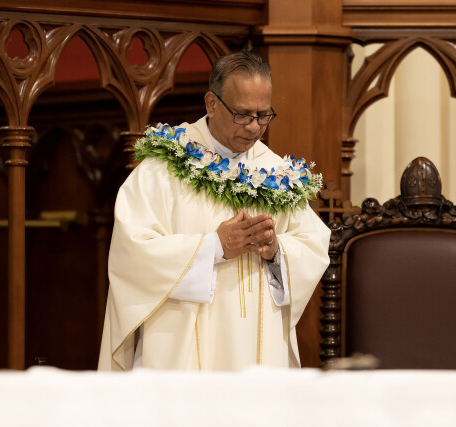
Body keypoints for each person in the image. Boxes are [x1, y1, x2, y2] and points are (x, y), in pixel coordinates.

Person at [98, 50, 330, 371]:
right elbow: (132, 254)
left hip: (258, 350)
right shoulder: (162, 170)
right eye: (243, 114)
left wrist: (277, 251)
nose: (254, 127)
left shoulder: (276, 173)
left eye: (263, 115)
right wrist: (214, 247)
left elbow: (312, 246)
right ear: (211, 103)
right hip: (182, 355)